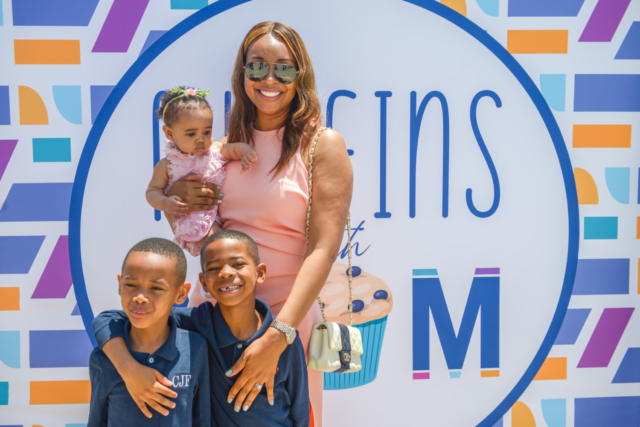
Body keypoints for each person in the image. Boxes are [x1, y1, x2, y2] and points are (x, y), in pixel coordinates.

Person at [97, 22, 353, 426]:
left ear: (300, 74)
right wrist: (177, 198)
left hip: (286, 323)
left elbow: (324, 249)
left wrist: (278, 335)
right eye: (258, 67)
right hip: (215, 319)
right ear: (242, 73)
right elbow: (195, 230)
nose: (269, 79)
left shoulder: (322, 145)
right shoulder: (217, 151)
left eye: (284, 68)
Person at [93, 230, 310, 426]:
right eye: (214, 268)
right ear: (204, 282)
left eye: (237, 264)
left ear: (260, 273)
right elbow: (108, 320)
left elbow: (299, 412)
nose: (225, 273)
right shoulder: (197, 324)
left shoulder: (282, 339)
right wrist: (128, 368)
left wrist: (276, 342)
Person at [87, 238, 211, 427]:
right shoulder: (103, 358)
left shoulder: (195, 348)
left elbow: (202, 419)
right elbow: (97, 421)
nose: (140, 297)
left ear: (181, 293)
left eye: (156, 288)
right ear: (120, 284)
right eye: (131, 285)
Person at [146, 86, 258, 256]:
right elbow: (152, 192)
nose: (201, 139)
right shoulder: (167, 165)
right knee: (217, 247)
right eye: (191, 134)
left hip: (217, 218)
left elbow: (233, 149)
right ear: (170, 133)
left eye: (206, 132)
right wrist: (165, 203)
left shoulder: (215, 150)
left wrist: (246, 153)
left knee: (221, 246)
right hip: (190, 220)